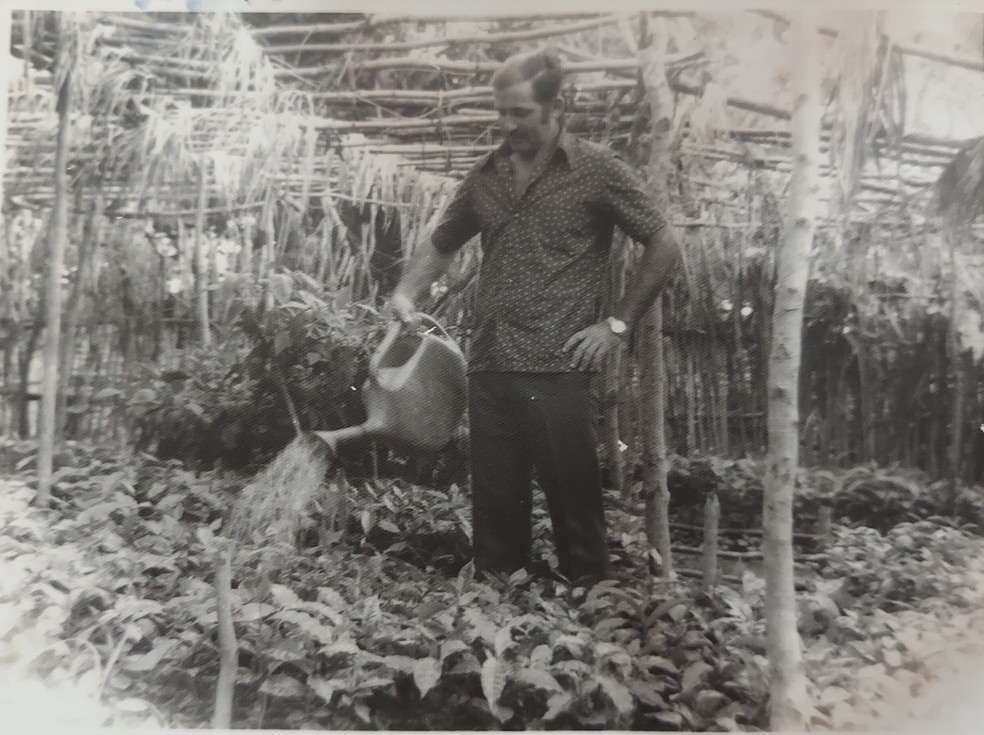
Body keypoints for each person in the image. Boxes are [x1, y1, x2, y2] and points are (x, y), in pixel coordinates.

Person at [388, 48, 681, 586]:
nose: (506, 124)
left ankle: (592, 619)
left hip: (559, 367)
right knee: (496, 513)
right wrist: (406, 292)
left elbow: (663, 243)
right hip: (492, 365)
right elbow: (441, 242)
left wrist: (617, 324)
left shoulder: (595, 170)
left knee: (576, 512)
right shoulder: (487, 174)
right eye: (500, 112)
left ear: (557, 106)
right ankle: (503, 623)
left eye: (519, 112)